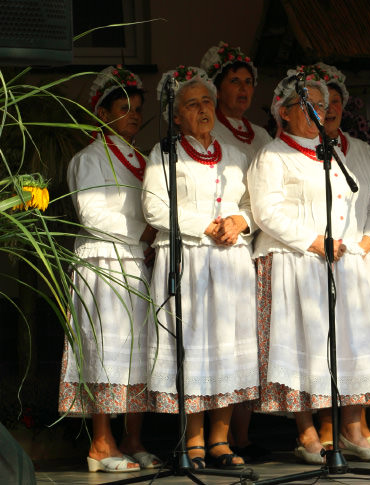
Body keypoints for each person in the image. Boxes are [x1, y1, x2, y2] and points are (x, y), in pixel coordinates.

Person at [248, 68, 370, 464]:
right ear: (285, 112)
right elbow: (266, 211)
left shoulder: (335, 153)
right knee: (304, 344)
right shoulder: (272, 155)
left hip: (339, 263)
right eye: (307, 105)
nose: (317, 112)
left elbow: (353, 204)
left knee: (347, 346)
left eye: (322, 105)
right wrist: (313, 241)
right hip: (295, 261)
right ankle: (307, 432)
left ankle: (352, 427)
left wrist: (353, 246)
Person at [142, 66, 258, 470]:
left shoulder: (237, 155)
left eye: (207, 101)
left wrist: (239, 223)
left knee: (226, 346)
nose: (203, 109)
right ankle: (193, 442)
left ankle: (220, 442)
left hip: (230, 263)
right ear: (176, 116)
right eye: (191, 104)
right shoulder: (164, 154)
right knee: (192, 346)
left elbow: (250, 207)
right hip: (188, 260)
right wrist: (204, 226)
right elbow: (154, 208)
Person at [59, 65, 160, 472]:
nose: (134, 115)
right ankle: (101, 443)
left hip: (138, 264)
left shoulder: (144, 158)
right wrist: (143, 234)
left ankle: (132, 438)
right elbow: (91, 214)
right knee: (105, 349)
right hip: (102, 263)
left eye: (137, 108)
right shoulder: (89, 159)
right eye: (124, 108)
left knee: (139, 352)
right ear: (102, 113)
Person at [305, 62, 370, 451]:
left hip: (362, 258)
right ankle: (333, 429)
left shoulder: (360, 150)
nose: (329, 109)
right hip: (325, 258)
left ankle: (356, 425)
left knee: (364, 345)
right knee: (330, 343)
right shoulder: (304, 149)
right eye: (321, 102)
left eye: (335, 101)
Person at [200, 40, 271, 463]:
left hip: (250, 242)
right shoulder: (210, 130)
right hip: (215, 244)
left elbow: (265, 195)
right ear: (216, 87)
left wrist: (246, 221)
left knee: (247, 339)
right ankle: (210, 436)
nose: (242, 90)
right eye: (234, 81)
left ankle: (240, 436)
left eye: (248, 82)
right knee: (217, 338)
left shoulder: (261, 136)